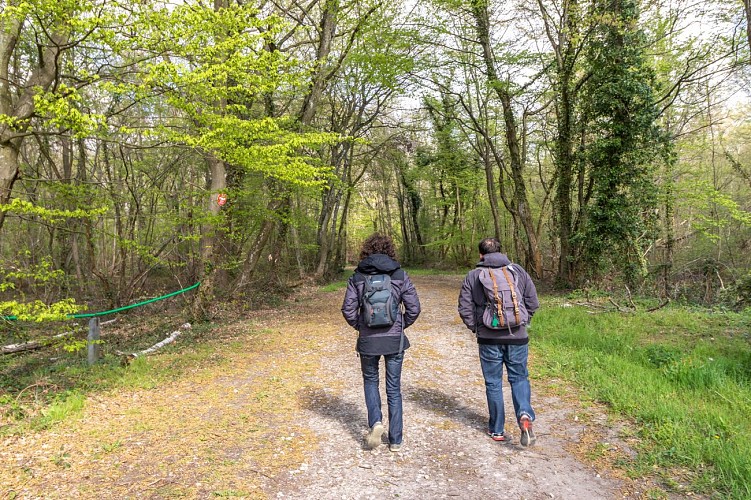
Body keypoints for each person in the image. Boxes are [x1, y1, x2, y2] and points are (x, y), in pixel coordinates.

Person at [341, 233, 421, 452]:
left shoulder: (358, 277)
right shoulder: (399, 274)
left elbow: (348, 309)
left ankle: (376, 422)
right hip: (394, 340)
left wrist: (361, 326)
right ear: (390, 250)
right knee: (394, 388)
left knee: (370, 381)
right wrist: (401, 326)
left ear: (366, 251)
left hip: (368, 341)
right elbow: (414, 308)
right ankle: (395, 440)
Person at [457, 237, 540, 446]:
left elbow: (464, 308)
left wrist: (476, 327)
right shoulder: (518, 271)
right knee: (519, 378)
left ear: (480, 255)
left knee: (493, 383)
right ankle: (524, 416)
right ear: (501, 251)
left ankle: (497, 429)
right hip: (518, 337)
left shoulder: (473, 276)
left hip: (488, 337)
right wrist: (523, 320)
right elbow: (532, 301)